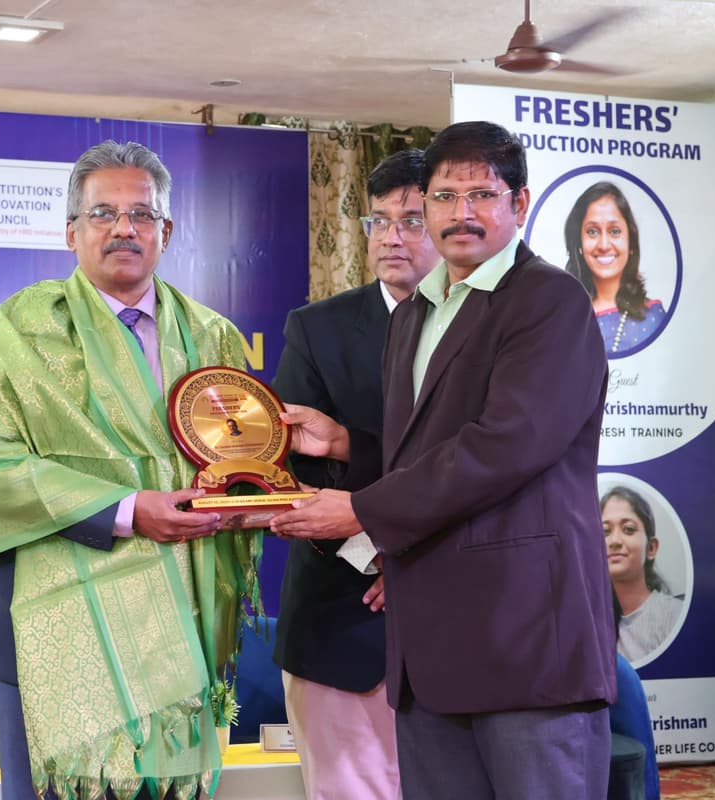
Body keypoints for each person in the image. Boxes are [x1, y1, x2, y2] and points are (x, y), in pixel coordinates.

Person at [271, 121, 617, 799]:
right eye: (444, 195)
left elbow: (507, 444)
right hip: (429, 648)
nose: (462, 213)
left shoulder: (549, 301)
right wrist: (348, 445)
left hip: (524, 643)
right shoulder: (415, 316)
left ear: (519, 203)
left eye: (482, 194)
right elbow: (422, 452)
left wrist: (360, 509)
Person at [0, 140, 260, 800]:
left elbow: (242, 462)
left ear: (166, 231)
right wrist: (128, 509)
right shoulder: (20, 330)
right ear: (71, 232)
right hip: (50, 632)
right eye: (103, 214)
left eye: (142, 214)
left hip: (183, 621)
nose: (124, 228)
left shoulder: (213, 337)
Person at [271, 149, 439, 800]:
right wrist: (378, 549)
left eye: (412, 219)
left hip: (455, 624)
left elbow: (483, 466)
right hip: (342, 620)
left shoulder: (488, 330)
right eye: (378, 222)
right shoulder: (318, 330)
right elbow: (291, 467)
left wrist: (423, 564)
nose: (392, 237)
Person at [565, 181, 667, 354]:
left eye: (614, 231)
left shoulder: (653, 318)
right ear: (579, 244)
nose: (604, 245)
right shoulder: (563, 318)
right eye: (592, 231)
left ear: (631, 242)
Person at [602, 485, 684, 663]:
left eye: (628, 529)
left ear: (651, 548)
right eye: (605, 532)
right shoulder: (590, 621)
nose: (614, 541)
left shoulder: (672, 615)